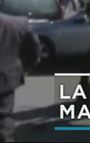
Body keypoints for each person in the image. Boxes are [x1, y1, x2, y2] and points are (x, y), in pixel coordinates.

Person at [0, 13, 41, 142]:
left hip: (6, 77)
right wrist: (26, 68)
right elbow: (34, 49)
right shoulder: (18, 23)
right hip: (5, 78)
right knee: (4, 116)